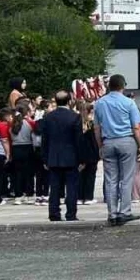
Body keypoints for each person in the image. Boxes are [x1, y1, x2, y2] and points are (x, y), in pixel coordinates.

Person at [93, 74, 140, 226]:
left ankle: (112, 213)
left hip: (108, 141)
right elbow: (136, 127)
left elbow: (96, 127)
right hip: (126, 140)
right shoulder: (129, 103)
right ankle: (125, 211)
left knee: (111, 179)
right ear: (123, 86)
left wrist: (100, 145)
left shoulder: (100, 103)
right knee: (127, 178)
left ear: (109, 86)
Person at [38, 90, 83, 222]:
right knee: (71, 187)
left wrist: (45, 158)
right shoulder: (75, 117)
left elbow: (44, 140)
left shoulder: (48, 117)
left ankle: (54, 213)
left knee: (55, 188)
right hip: (71, 156)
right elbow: (78, 140)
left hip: (53, 156)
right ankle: (71, 214)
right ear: (69, 101)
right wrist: (81, 158)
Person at [8, 104, 37, 205]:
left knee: (17, 173)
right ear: (26, 112)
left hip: (15, 148)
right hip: (28, 147)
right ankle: (29, 195)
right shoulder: (30, 123)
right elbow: (34, 136)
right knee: (29, 173)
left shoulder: (11, 124)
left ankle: (18, 196)